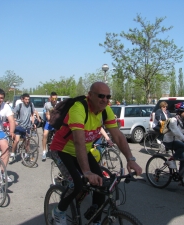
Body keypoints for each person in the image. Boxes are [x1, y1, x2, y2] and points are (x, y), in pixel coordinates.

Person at [50, 82, 142, 225]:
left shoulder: (106, 110)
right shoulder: (79, 108)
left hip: (83, 151)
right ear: (90, 95)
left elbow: (118, 136)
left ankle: (95, 221)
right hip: (62, 150)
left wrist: (130, 159)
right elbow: (79, 141)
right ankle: (59, 210)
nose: (105, 100)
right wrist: (86, 171)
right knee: (76, 184)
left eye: (108, 97)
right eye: (101, 96)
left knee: (102, 183)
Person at [10, 93, 35, 162]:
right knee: (17, 140)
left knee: (27, 141)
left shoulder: (31, 105)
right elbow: (13, 113)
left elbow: (33, 113)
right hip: (19, 126)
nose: (27, 101)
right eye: (26, 99)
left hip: (28, 126)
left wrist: (33, 121)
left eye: (28, 99)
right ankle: (12, 153)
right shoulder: (19, 106)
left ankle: (26, 154)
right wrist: (14, 120)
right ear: (23, 99)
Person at [42, 92, 58, 161]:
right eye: (53, 98)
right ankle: (44, 152)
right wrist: (50, 118)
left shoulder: (59, 104)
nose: (54, 100)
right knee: (45, 134)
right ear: (50, 98)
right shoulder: (47, 105)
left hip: (56, 122)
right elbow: (47, 115)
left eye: (55, 98)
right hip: (49, 122)